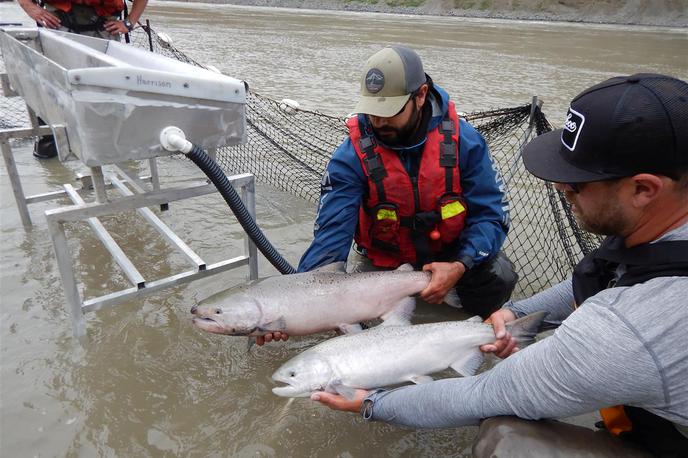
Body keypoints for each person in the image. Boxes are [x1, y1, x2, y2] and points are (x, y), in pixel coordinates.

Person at [312, 73, 688, 457]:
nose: (560, 188)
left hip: (665, 435)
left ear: (644, 189)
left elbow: (484, 394)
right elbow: (596, 277)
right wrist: (515, 312)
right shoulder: (656, 226)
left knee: (507, 439)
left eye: (577, 183)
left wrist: (371, 403)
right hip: (390, 263)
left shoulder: (625, 332)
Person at [258, 46, 517, 346]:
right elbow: (330, 239)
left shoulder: (466, 143)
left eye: (390, 111)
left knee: (501, 275)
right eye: (373, 111)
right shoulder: (350, 156)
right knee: (362, 342)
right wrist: (293, 310)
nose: (378, 122)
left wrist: (460, 265)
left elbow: (491, 216)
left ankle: (478, 336)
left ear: (420, 95)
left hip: (451, 258)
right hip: (383, 265)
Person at [17, 0, 148, 159]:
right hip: (57, 25)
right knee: (52, 87)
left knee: (111, 93)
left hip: (104, 30)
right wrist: (30, 7)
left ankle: (114, 152)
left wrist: (129, 22)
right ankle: (51, 152)